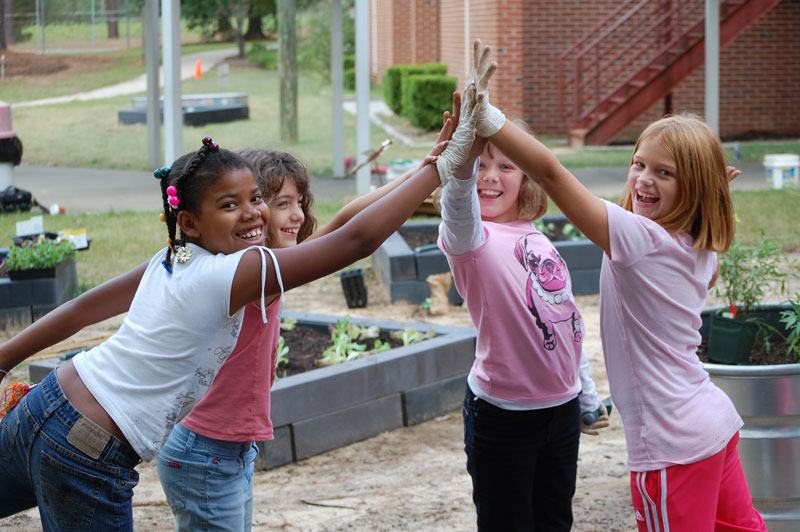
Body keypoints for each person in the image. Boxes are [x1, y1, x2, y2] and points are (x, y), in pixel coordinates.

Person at [0, 93, 481, 531]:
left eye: (256, 199)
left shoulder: (174, 259)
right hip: (88, 448)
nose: (254, 213)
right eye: (230, 205)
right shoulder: (230, 274)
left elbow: (83, 307)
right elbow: (356, 241)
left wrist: (4, 357)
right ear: (188, 222)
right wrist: (441, 168)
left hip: (48, 404)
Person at [468, 41, 765, 531]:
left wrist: (490, 120)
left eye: (664, 173)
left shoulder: (640, 239)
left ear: (693, 186)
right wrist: (707, 189)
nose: (644, 179)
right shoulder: (696, 243)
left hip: (672, 447)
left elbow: (552, 173)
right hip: (714, 424)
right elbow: (693, 223)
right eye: (639, 164)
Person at [153, 140, 452, 531]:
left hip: (218, 448)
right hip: (207, 452)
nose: (296, 215)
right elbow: (355, 238)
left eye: (299, 202)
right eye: (281, 204)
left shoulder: (263, 266)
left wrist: (417, 172)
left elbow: (344, 220)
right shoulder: (252, 272)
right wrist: (431, 175)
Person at [438, 109, 608, 530]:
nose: (490, 175)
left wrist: (586, 395)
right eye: (481, 164)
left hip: (562, 411)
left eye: (506, 165)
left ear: (526, 177)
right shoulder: (471, 241)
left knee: (554, 521)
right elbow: (459, 209)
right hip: (503, 416)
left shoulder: (535, 235)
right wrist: (462, 160)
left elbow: (564, 321)